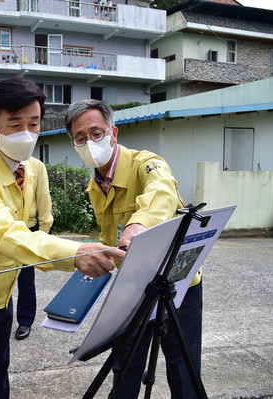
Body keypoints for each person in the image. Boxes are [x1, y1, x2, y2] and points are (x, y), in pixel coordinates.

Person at [0, 76, 125, 399]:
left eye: (33, 123)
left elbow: (33, 225)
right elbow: (7, 235)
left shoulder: (26, 167)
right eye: (14, 124)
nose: (26, 133)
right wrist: (75, 254)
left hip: (1, 294)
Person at [64, 99, 203, 399]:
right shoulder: (95, 184)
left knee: (183, 368)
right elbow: (107, 234)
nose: (90, 142)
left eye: (96, 133)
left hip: (177, 283)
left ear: (114, 133)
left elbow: (162, 191)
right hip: (134, 286)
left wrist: (137, 227)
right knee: (125, 363)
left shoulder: (147, 163)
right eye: (80, 138)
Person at [14, 156, 53, 340]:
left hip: (26, 227)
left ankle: (25, 321)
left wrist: (44, 229)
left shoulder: (36, 166)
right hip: (0, 226)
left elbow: (43, 196)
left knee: (26, 278)